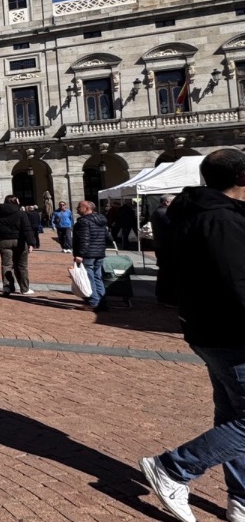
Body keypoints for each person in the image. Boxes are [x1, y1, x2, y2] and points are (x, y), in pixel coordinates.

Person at [139, 148, 245, 522]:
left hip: (206, 328)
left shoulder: (187, 214)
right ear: (241, 178)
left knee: (233, 413)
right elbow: (238, 283)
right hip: (232, 332)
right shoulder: (220, 220)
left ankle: (241, 497)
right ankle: (173, 468)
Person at [71, 200, 113, 312]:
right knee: (97, 277)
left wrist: (80, 254)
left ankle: (93, 302)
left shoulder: (84, 222)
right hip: (99, 253)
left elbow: (84, 240)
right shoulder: (100, 220)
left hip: (88, 254)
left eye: (79, 206)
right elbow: (108, 238)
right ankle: (102, 302)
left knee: (89, 278)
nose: (77, 208)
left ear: (86, 208)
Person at [0, 195, 35, 297]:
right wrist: (31, 243)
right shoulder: (21, 213)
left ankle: (7, 287)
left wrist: (2, 232)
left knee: (6, 265)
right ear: (15, 201)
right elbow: (27, 228)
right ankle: (24, 289)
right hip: (19, 241)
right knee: (22, 266)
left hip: (4, 241)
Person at [151, 195, 178, 307]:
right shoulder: (164, 213)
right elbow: (172, 228)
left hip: (162, 246)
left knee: (165, 273)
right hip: (166, 247)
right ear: (167, 202)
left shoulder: (158, 212)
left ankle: (163, 298)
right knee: (168, 273)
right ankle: (167, 299)